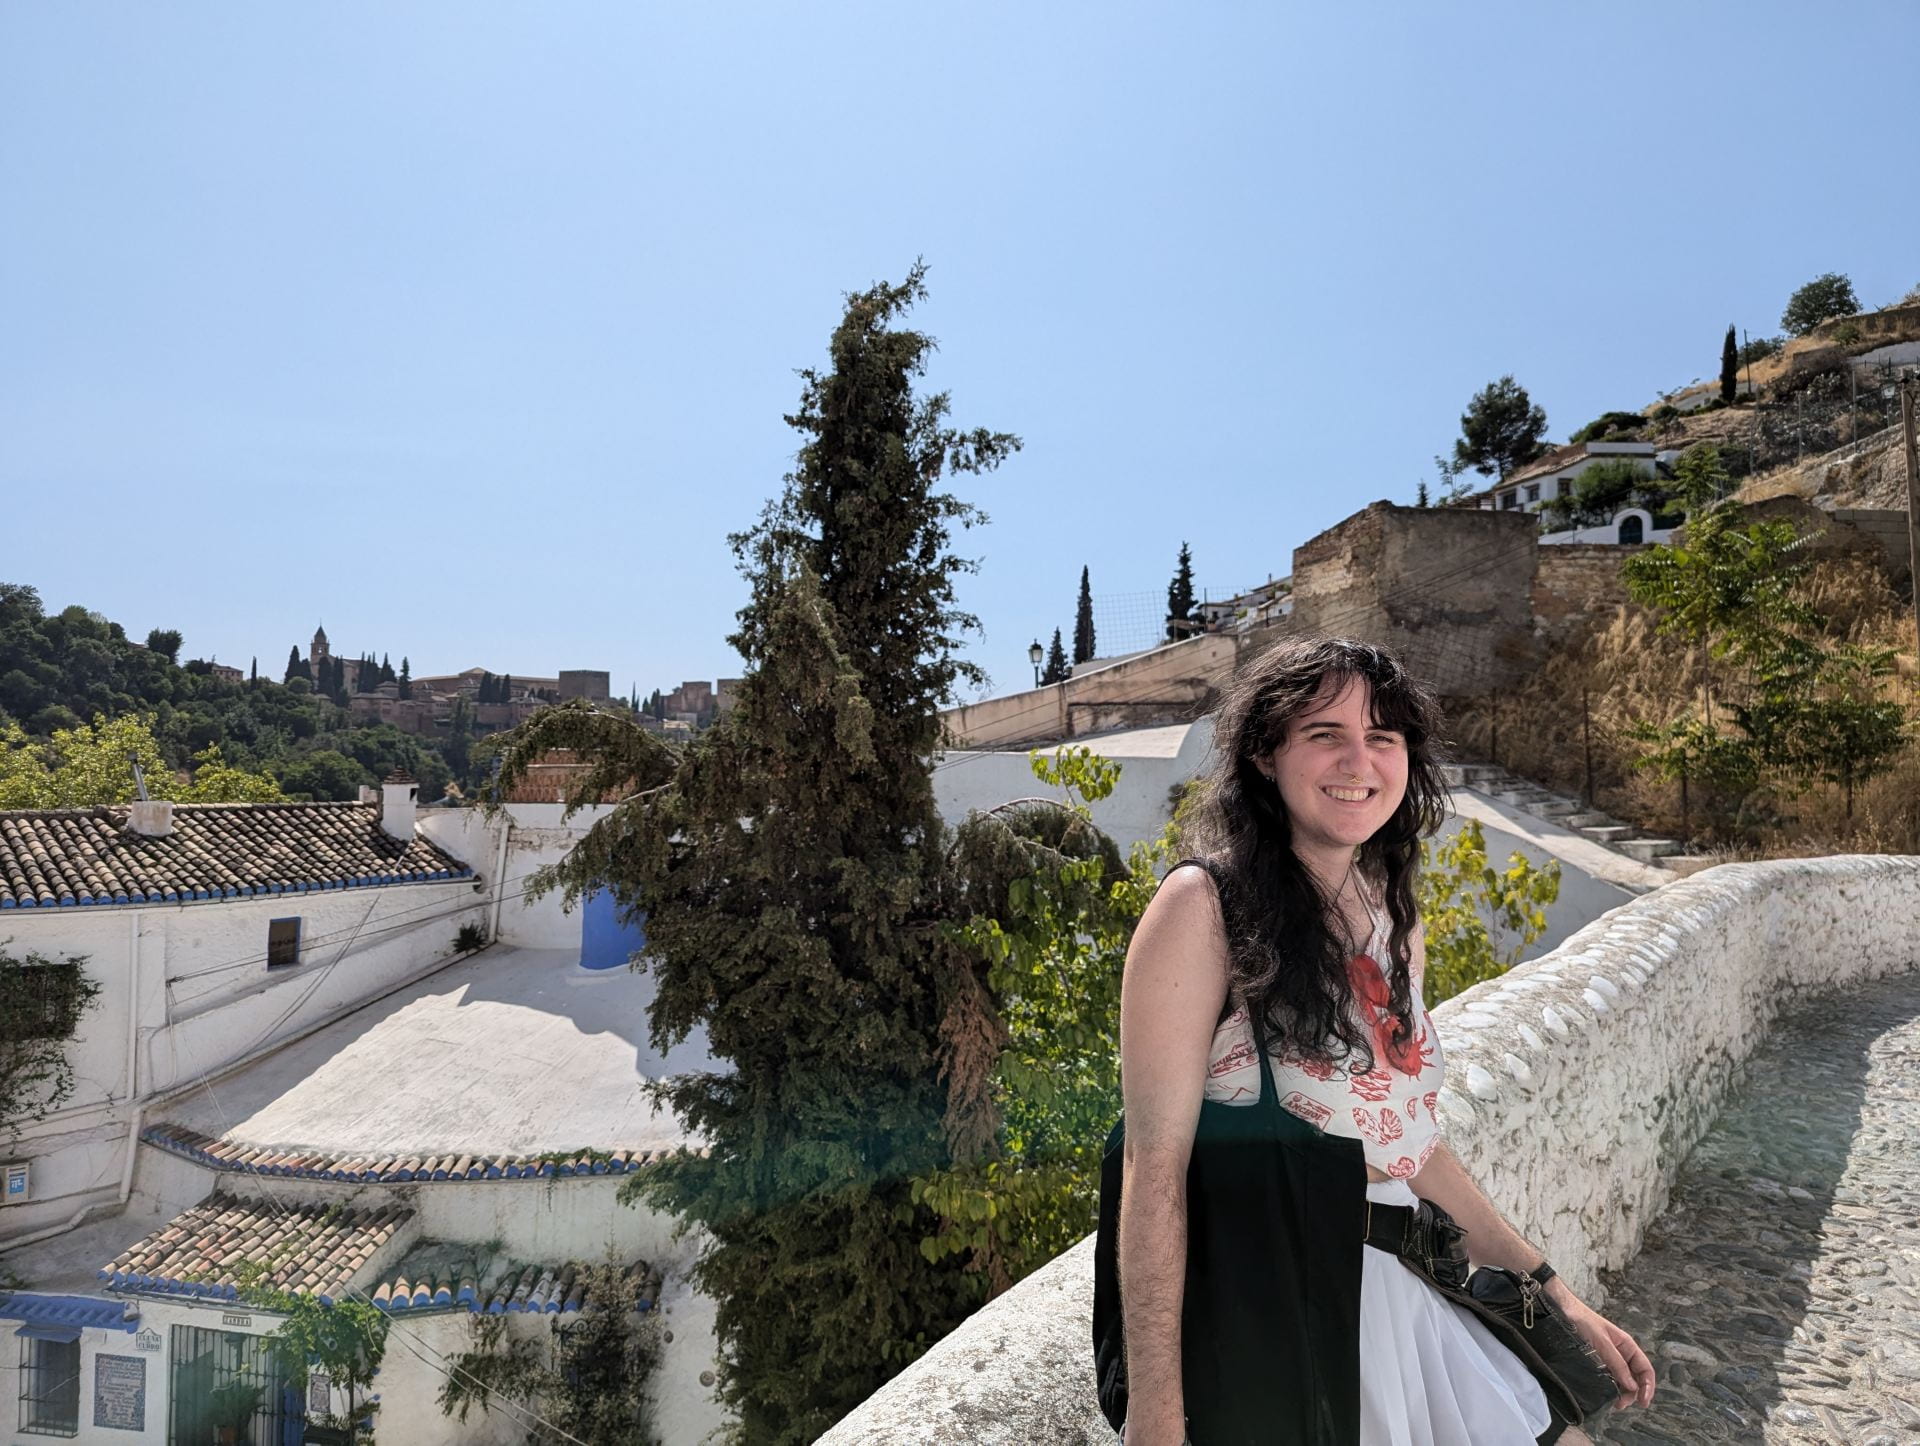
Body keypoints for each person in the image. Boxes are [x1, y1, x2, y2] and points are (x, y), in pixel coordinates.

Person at [1115, 637, 1656, 1445]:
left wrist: (1552, 1288)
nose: (1358, 759)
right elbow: (1153, 1166)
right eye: (1324, 733)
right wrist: (1157, 1417)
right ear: (1266, 754)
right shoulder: (1204, 908)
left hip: (1406, 1294)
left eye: (1384, 737)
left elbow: (1410, 1144)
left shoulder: (1393, 920)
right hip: (1285, 1318)